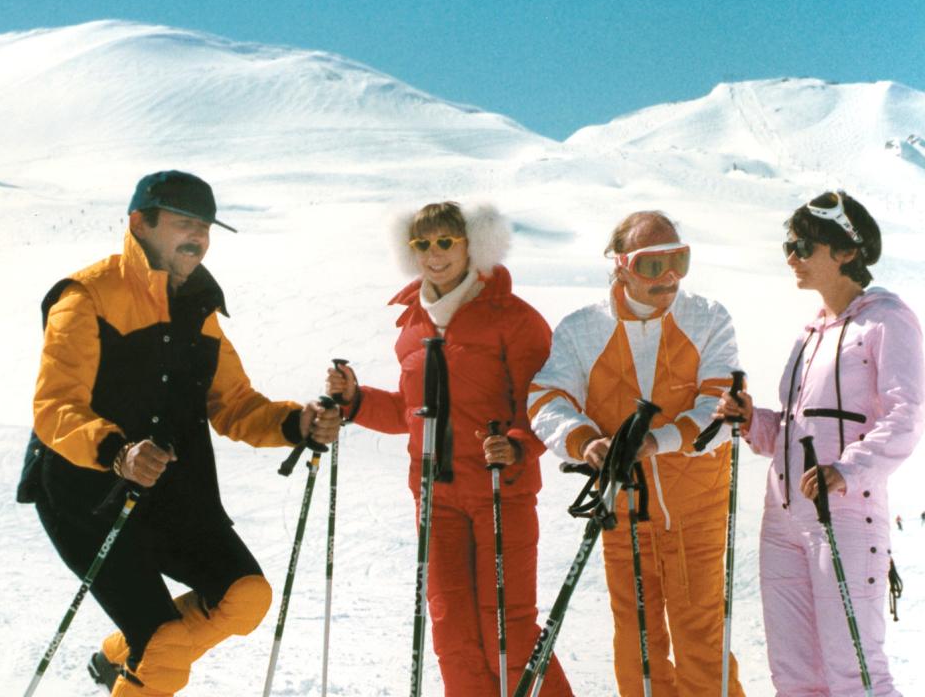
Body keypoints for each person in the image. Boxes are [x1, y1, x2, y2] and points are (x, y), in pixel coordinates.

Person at [19, 170, 340, 697]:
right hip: (84, 492)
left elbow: (233, 404)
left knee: (246, 597)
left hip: (168, 492)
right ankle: (144, 651)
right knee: (165, 644)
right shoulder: (86, 297)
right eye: (184, 222)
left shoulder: (200, 311)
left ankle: (121, 655)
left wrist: (295, 424)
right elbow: (55, 407)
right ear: (140, 223)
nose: (198, 237)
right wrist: (118, 452)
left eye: (206, 227)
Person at [326, 201, 572, 696]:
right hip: (435, 498)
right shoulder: (413, 326)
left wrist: (519, 445)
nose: (434, 254)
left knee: (508, 630)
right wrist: (355, 401)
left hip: (501, 491)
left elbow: (545, 406)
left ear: (471, 245)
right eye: (422, 244)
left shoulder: (515, 319)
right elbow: (409, 413)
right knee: (452, 634)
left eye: (445, 242)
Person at [527, 211, 745, 696]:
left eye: (679, 260)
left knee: (701, 632)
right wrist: (586, 441)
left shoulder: (707, 318)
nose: (668, 276)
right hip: (622, 508)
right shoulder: (584, 329)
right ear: (621, 266)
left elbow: (720, 403)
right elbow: (546, 398)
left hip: (697, 505)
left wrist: (655, 441)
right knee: (638, 637)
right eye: (652, 264)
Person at [714, 190, 922, 696]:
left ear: (846, 250)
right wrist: (752, 421)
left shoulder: (886, 319)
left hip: (845, 512)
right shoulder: (810, 332)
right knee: (795, 673)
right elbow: (792, 431)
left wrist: (847, 471)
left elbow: (905, 415)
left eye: (804, 245)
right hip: (784, 515)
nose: (792, 257)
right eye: (790, 244)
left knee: (853, 670)